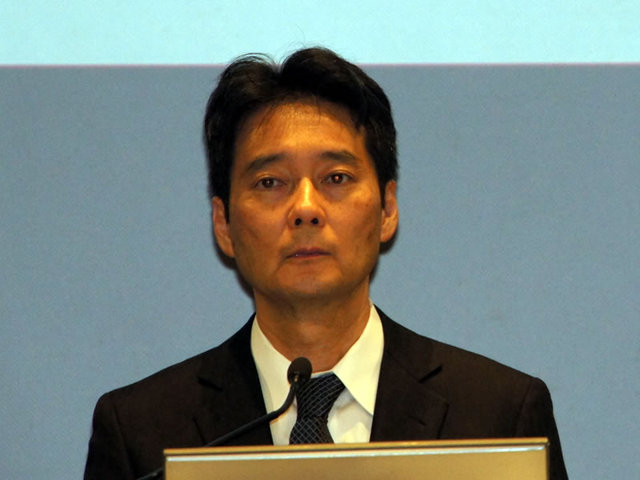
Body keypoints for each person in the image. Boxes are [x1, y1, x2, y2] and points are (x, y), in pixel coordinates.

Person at [84, 47, 568, 480]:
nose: (305, 208)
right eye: (270, 182)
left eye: (335, 177)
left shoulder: (498, 416)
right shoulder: (142, 433)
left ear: (387, 209)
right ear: (224, 223)